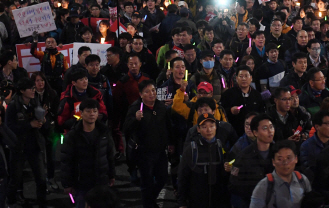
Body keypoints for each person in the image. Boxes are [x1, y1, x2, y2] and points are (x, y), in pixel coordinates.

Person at [123, 79, 172, 208]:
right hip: (144, 152)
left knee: (162, 178)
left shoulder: (161, 106)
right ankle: (148, 204)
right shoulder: (135, 108)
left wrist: (170, 143)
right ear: (140, 94)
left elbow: (168, 126)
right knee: (146, 183)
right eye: (147, 92)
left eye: (153, 90)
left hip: (160, 151)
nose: (151, 94)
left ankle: (150, 201)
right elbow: (126, 128)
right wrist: (135, 120)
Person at [60, 99, 115, 208]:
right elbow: (66, 161)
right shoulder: (73, 135)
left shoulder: (104, 132)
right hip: (81, 182)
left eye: (94, 111)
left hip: (101, 180)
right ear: (81, 113)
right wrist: (67, 184)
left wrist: (112, 175)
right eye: (88, 111)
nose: (92, 114)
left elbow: (110, 155)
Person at [5, 78, 48, 208]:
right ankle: (11, 201)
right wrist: (29, 124)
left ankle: (42, 203)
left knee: (41, 178)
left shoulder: (35, 101)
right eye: (31, 89)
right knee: (15, 178)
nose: (33, 91)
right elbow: (9, 126)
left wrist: (42, 121)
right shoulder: (13, 106)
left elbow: (39, 118)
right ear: (22, 91)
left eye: (34, 88)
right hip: (19, 147)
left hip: (34, 145)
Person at [177, 113, 230, 208]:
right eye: (204, 127)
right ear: (198, 129)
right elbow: (182, 176)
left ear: (216, 127)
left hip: (218, 201)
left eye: (211, 126)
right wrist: (182, 203)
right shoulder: (191, 149)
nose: (209, 130)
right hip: (197, 201)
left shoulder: (220, 146)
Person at [229, 113, 276, 208]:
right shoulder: (244, 155)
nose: (270, 131)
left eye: (271, 127)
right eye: (265, 128)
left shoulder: (278, 153)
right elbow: (234, 185)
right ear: (255, 132)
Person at [249, 140, 311, 208]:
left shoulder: (302, 180)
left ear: (296, 159)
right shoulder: (263, 186)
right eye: (280, 159)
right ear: (273, 162)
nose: (285, 163)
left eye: (289, 158)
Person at [220, 65, 265, 137]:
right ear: (237, 78)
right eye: (241, 76)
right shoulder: (228, 94)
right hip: (234, 131)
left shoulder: (257, 95)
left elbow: (261, 112)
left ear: (251, 78)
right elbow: (221, 111)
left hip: (253, 131)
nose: (244, 79)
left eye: (246, 76)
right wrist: (230, 111)